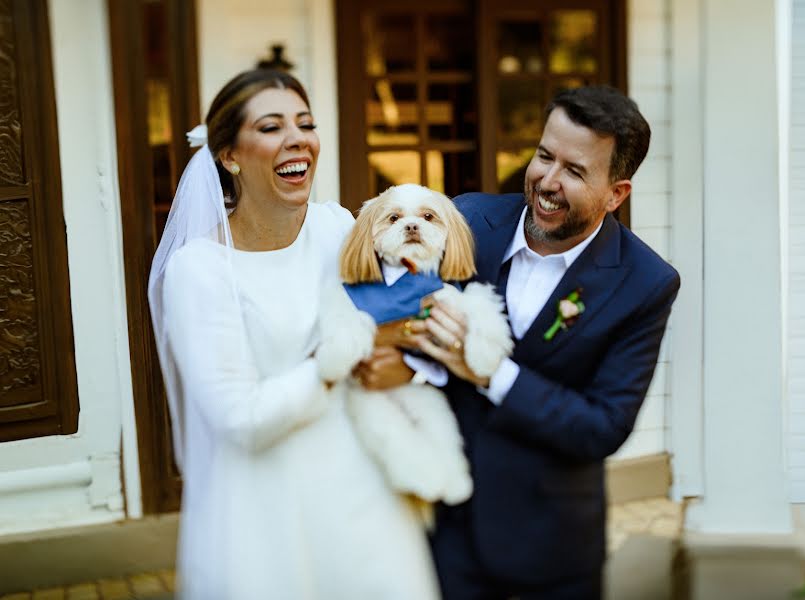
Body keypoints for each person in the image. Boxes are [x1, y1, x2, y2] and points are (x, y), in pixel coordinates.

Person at [361, 85, 680, 599]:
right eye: (543, 157)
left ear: (616, 193)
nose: (547, 182)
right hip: (441, 526)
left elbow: (602, 427)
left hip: (549, 551)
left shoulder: (644, 283)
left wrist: (491, 372)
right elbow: (395, 323)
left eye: (574, 171)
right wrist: (418, 366)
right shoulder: (462, 219)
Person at [147, 69, 440, 600]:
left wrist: (410, 363)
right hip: (269, 507)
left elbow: (402, 317)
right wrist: (344, 357)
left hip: (362, 492)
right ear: (229, 156)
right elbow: (240, 419)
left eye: (305, 123)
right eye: (271, 126)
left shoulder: (338, 228)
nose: (297, 138)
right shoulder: (199, 271)